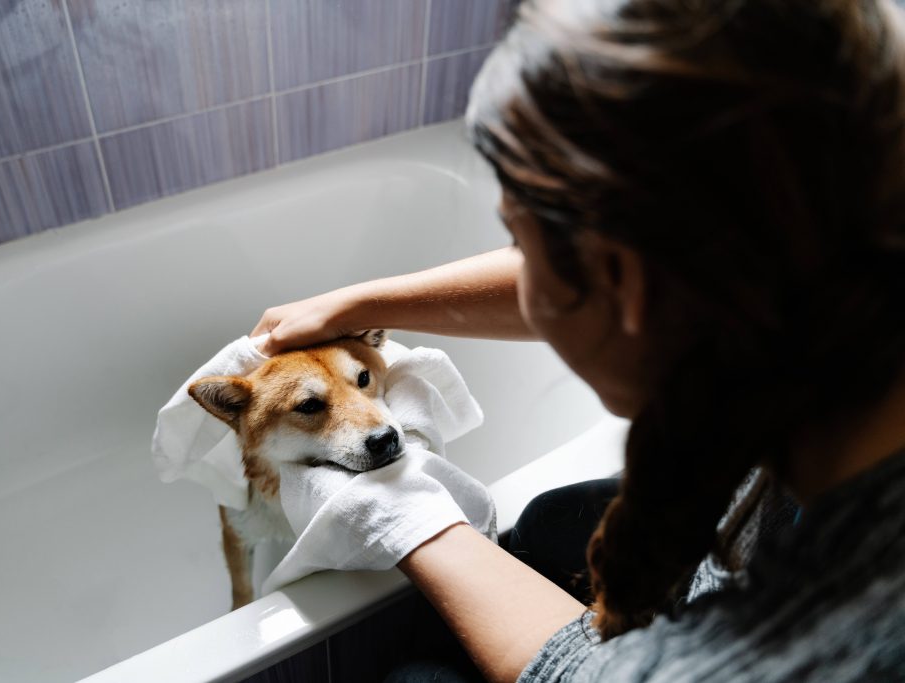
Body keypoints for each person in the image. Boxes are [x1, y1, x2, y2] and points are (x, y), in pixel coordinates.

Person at [251, 0, 905, 680]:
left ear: (626, 282)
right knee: (543, 523)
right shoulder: (841, 241)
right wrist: (362, 302)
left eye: (519, 243)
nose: (518, 268)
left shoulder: (812, 653)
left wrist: (401, 513)